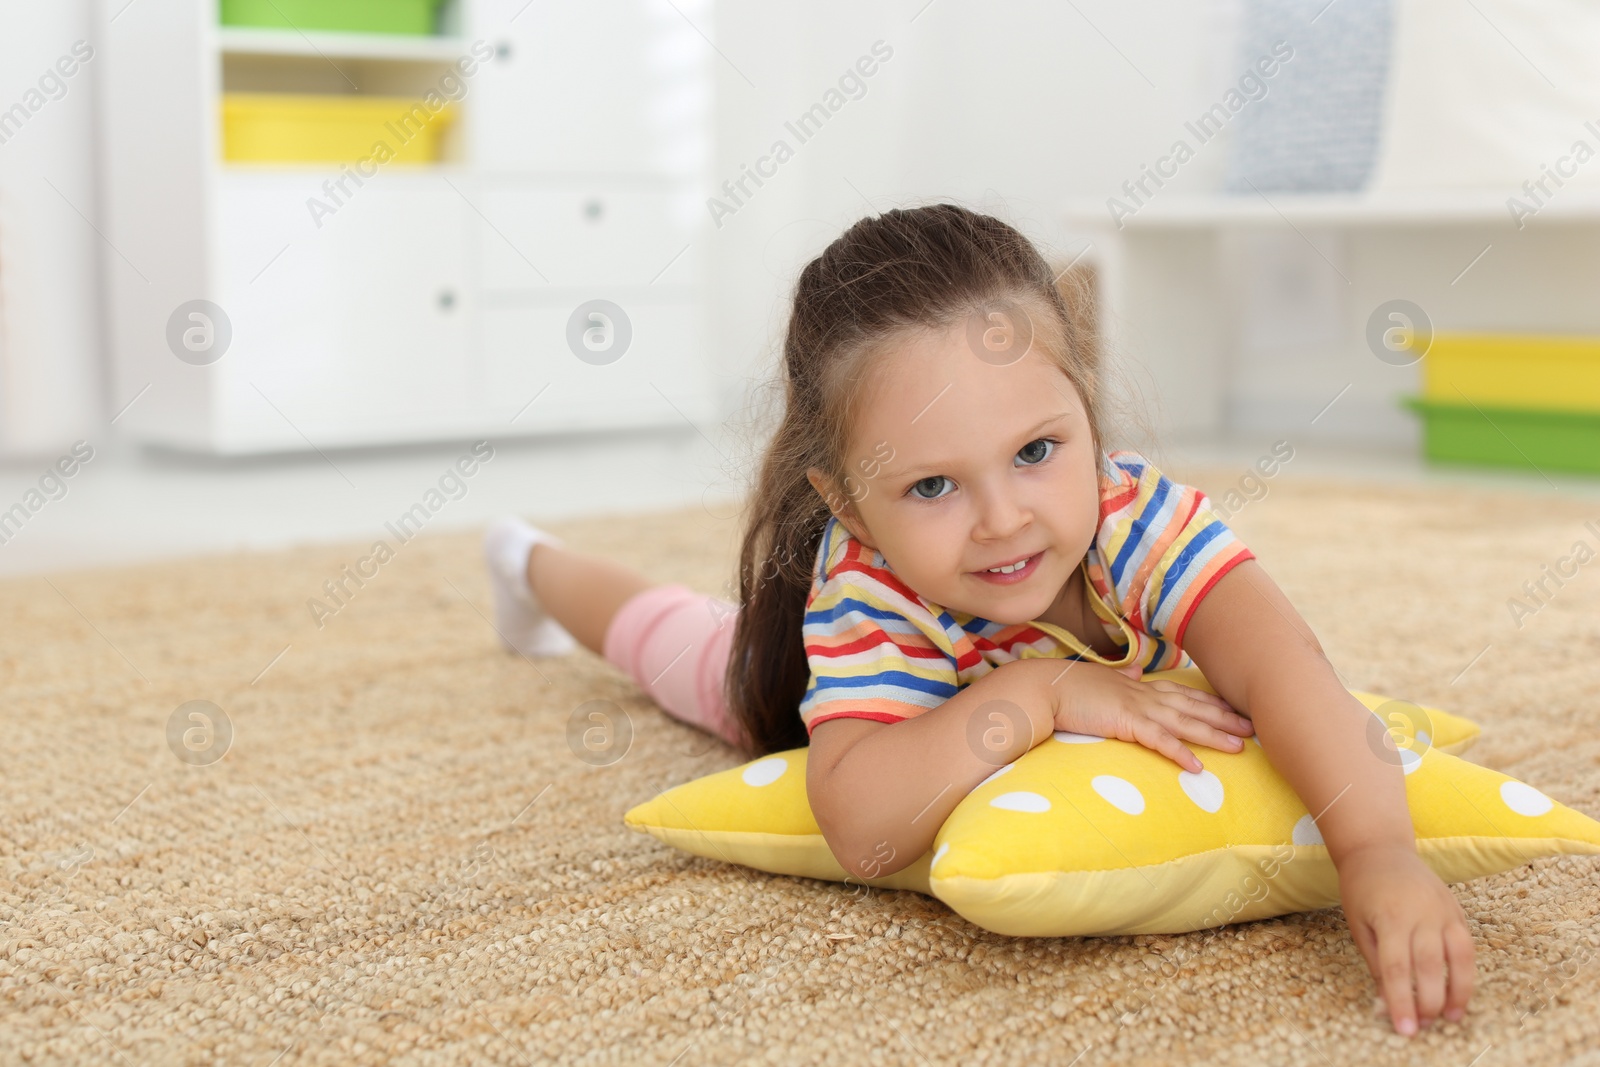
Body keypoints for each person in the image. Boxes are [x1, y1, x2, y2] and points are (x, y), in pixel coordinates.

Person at [480, 203, 1472, 1038]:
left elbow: (1286, 667)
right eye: (932, 483)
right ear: (851, 505)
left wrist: (1376, 851)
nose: (1003, 519)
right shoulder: (871, 588)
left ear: (1084, 408)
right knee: (675, 640)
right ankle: (529, 560)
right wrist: (1037, 691)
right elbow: (866, 827)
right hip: (806, 682)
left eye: (1037, 450)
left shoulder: (1139, 522)